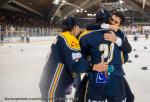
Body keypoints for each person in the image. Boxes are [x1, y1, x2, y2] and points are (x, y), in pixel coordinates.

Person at [39, 17, 103, 102]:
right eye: (78, 27)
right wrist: (93, 66)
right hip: (53, 86)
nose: (80, 29)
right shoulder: (69, 39)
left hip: (51, 83)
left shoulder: (62, 37)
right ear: (74, 27)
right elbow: (76, 63)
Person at [79, 10, 133, 102]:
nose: (112, 22)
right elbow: (126, 56)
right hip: (115, 74)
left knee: (82, 95)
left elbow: (81, 57)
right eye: (112, 19)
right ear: (108, 18)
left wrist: (116, 40)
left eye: (116, 22)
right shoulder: (120, 34)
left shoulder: (86, 34)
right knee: (128, 97)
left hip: (96, 74)